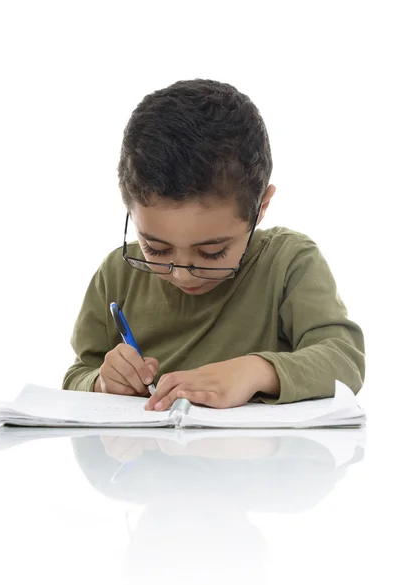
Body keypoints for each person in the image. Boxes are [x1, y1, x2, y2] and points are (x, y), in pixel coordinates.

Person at [62, 78, 365, 408]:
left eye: (212, 252)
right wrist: (103, 382)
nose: (183, 274)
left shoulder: (288, 263)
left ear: (260, 208)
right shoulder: (116, 275)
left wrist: (257, 371)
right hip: (146, 457)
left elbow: (344, 360)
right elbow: (78, 374)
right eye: (156, 248)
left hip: (263, 458)